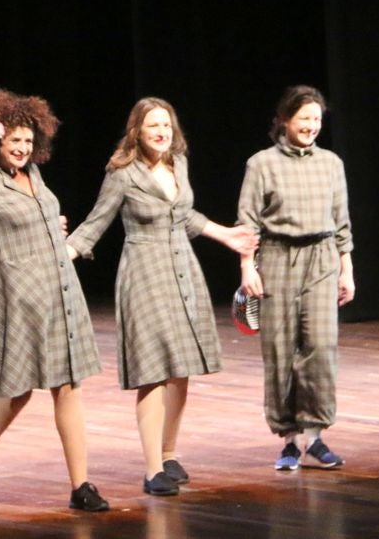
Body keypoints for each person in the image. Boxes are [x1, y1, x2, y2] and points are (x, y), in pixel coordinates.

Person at [66, 97, 258, 496]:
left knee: (180, 367)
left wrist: (224, 234)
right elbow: (96, 222)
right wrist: (62, 256)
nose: (161, 132)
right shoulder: (122, 174)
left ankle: (169, 453)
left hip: (183, 271)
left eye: (167, 126)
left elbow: (183, 216)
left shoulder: (178, 164)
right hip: (144, 272)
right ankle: (153, 468)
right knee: (152, 372)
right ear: (137, 131)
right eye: (153, 125)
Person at [0, 90, 110, 513]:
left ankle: (82, 485)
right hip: (22, 300)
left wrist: (49, 225)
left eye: (27, 141)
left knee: (68, 386)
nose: (21, 148)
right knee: (14, 393)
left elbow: (36, 218)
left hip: (60, 292)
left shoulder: (34, 175)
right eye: (13, 141)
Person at [236, 85, 355, 471]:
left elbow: (341, 224)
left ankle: (316, 437)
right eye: (304, 118)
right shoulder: (261, 164)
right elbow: (247, 222)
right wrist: (247, 266)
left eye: (316, 119)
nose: (311, 126)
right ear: (285, 120)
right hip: (277, 257)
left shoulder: (331, 164)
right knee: (280, 350)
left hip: (321, 259)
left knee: (321, 346)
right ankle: (288, 440)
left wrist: (346, 269)